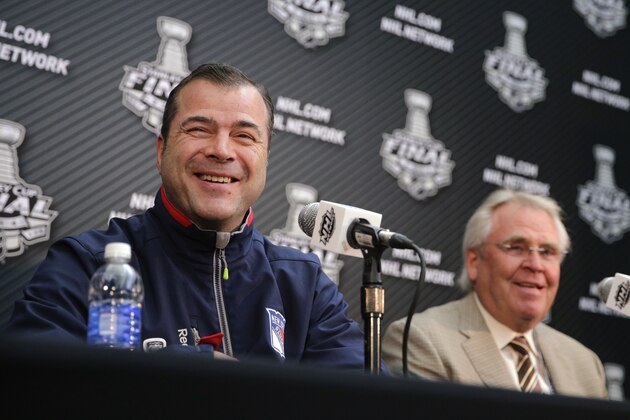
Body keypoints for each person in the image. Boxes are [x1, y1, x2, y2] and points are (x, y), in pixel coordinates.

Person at [3, 63, 367, 369]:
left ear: (265, 158)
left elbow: (361, 401)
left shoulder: (305, 283)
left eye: (243, 136)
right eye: (199, 130)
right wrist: (189, 369)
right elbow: (33, 386)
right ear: (162, 151)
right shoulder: (86, 264)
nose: (222, 150)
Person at [382, 188, 608, 398]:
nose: (536, 265)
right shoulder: (422, 340)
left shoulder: (585, 364)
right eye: (516, 247)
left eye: (548, 252)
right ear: (474, 262)